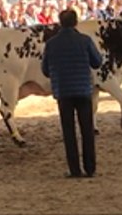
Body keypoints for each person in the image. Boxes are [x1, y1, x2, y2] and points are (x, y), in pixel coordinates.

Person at [40, 9, 102, 178]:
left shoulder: (51, 44)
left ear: (60, 22)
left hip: (63, 91)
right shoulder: (85, 40)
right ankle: (90, 168)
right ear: (76, 22)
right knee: (87, 130)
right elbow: (97, 62)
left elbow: (45, 70)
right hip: (83, 89)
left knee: (69, 131)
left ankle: (74, 169)